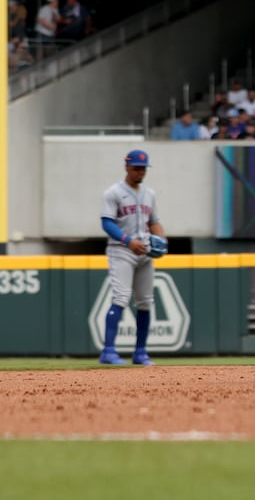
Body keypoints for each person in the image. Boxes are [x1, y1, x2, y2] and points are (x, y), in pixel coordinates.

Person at [98, 149, 167, 366]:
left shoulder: (150, 194)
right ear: (127, 167)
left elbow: (154, 221)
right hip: (122, 250)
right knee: (120, 297)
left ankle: (140, 353)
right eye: (136, 167)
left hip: (145, 251)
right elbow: (107, 222)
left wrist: (162, 240)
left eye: (143, 168)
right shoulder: (113, 192)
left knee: (145, 302)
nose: (140, 172)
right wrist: (128, 240)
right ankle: (108, 351)